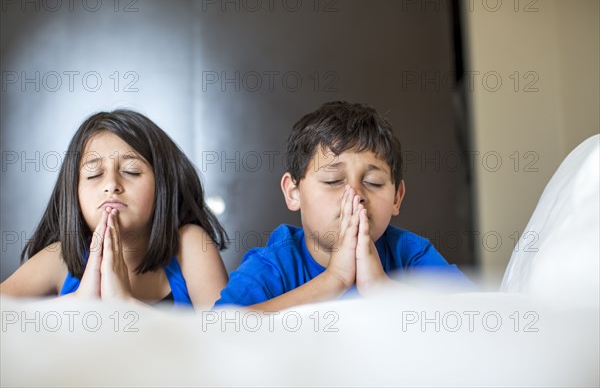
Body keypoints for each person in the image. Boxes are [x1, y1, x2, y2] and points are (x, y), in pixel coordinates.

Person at [215, 101, 474, 310]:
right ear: (294, 193)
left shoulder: (409, 253)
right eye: (333, 181)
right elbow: (217, 332)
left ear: (397, 197)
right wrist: (333, 280)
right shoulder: (275, 264)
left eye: (373, 182)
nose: (355, 195)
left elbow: (481, 317)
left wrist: (381, 288)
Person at [0, 110, 228, 308]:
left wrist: (125, 305)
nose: (111, 185)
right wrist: (79, 302)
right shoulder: (59, 258)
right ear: (73, 193)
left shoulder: (190, 245)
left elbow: (225, 338)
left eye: (131, 171)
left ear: (164, 185)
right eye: (94, 174)